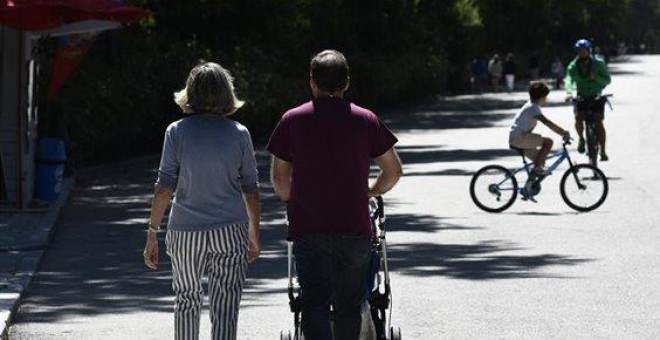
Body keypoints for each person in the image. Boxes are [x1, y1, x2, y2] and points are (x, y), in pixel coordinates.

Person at [267, 50, 403, 340]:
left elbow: (279, 180)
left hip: (309, 228)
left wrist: (296, 199)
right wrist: (371, 191)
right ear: (347, 83)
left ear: (312, 82)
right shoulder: (365, 119)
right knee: (349, 305)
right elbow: (393, 171)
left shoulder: (292, 120)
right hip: (353, 227)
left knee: (313, 302)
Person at [143, 62, 261, 340]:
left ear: (190, 93)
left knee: (186, 298)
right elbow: (252, 191)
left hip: (185, 230)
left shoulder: (176, 132)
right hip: (230, 229)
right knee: (226, 305)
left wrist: (152, 233)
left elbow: (164, 188)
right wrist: (254, 234)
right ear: (226, 93)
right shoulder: (239, 133)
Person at [509, 81, 570, 200]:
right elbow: (548, 123)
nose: (546, 100)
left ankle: (527, 189)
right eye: (545, 97)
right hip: (519, 138)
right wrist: (563, 132)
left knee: (539, 161)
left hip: (519, 138)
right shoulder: (532, 108)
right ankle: (536, 171)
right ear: (541, 97)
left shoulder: (532, 105)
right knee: (548, 142)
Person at [564, 38, 612, 160]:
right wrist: (569, 92)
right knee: (578, 118)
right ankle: (581, 139)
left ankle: (603, 150)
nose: (581, 53)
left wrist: (596, 78)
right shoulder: (574, 65)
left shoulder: (599, 63)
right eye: (579, 50)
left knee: (599, 123)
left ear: (589, 50)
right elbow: (569, 78)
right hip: (582, 96)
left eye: (584, 50)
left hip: (596, 96)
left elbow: (607, 80)